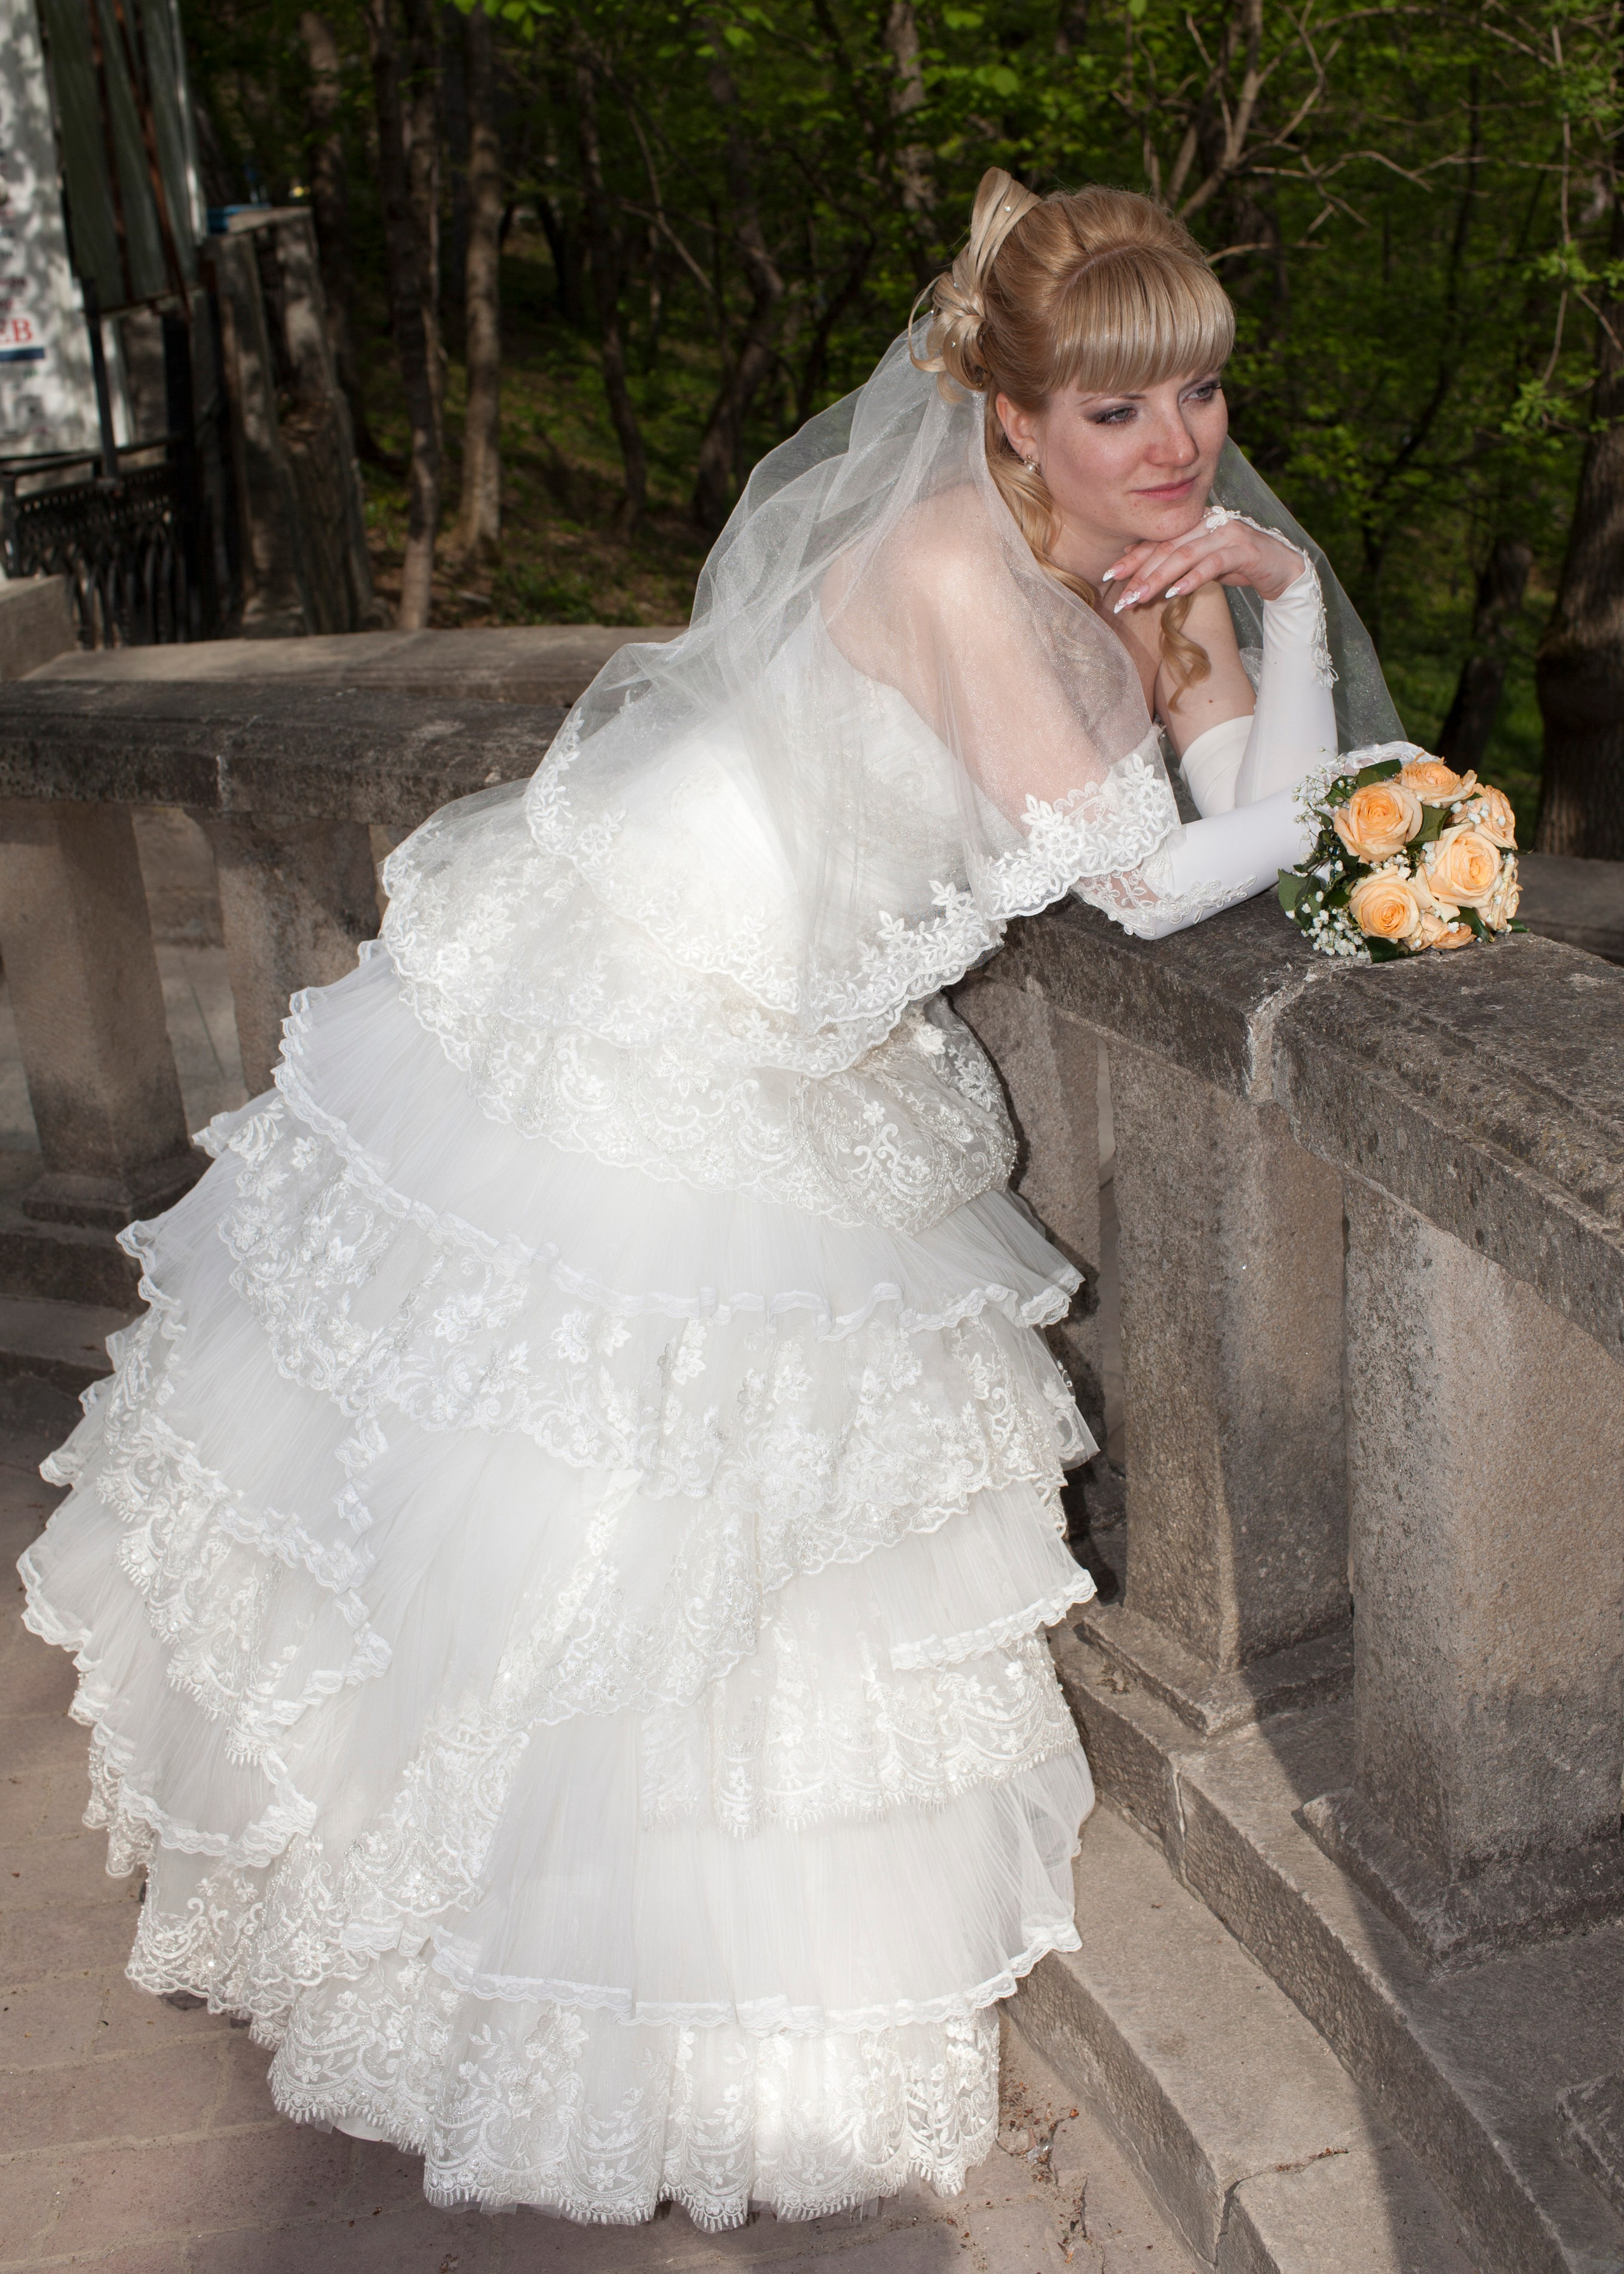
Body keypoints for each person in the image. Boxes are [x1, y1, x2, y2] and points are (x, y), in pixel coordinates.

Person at [18, 170, 1406, 2228]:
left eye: (1197, 390)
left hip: (808, 1042)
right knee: (582, 1512)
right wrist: (1273, 689)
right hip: (645, 1009)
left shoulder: (1173, 570)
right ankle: (515, 1953)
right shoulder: (950, 557)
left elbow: (1276, 821)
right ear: (1011, 418)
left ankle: (743, 1985)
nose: (1177, 444)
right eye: (1117, 410)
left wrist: (1273, 607)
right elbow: (1155, 878)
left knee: (777, 1535)